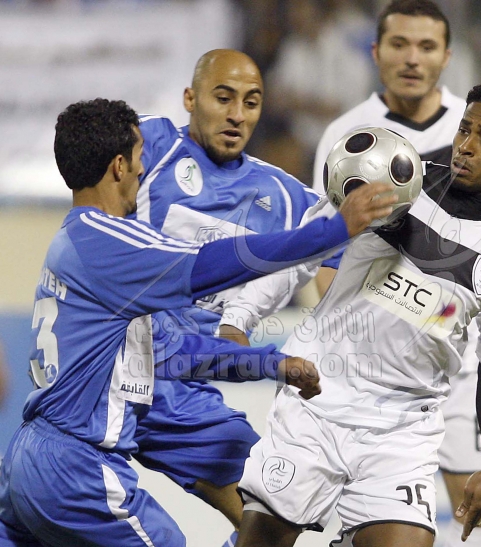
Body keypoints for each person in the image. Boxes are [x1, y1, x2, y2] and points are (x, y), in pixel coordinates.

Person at [0, 98, 396, 547]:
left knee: (265, 498)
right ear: (118, 166)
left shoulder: (77, 243)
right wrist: (332, 231)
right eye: (139, 157)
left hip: (30, 462)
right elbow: (216, 263)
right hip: (76, 467)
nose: (143, 169)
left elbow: (173, 353)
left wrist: (272, 364)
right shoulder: (110, 244)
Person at [235, 79, 481, 547]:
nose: (465, 146)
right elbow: (304, 247)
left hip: (403, 428)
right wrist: (239, 317)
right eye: (464, 129)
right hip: (320, 399)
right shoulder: (396, 180)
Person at [311, 2, 481, 545]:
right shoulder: (349, 134)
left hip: (457, 357)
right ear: (376, 52)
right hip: (371, 363)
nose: (412, 59)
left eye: (426, 46)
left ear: (447, 57)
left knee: (471, 505)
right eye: (399, 45)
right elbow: (327, 249)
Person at [132, 49, 351, 544]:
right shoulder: (154, 146)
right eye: (223, 98)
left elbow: (347, 240)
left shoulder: (285, 196)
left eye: (250, 103)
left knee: (272, 513)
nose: (237, 115)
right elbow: (86, 148)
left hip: (185, 391)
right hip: (120, 367)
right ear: (190, 99)